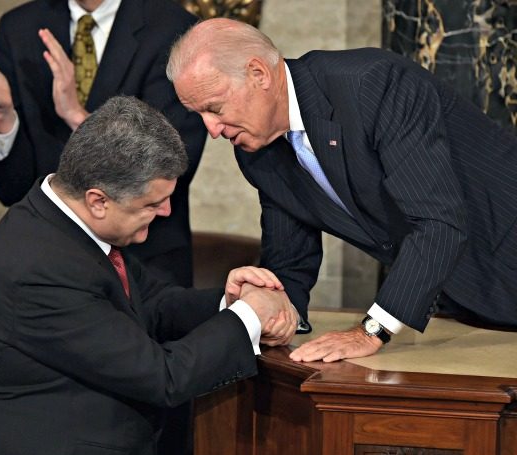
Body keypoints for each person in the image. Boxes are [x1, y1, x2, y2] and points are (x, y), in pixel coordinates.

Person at [0, 96, 298, 455]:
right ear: (99, 200)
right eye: (153, 203)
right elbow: (163, 377)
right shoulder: (40, 268)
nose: (165, 213)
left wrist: (229, 299)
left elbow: (154, 302)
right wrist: (248, 316)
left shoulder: (64, 223)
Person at [167, 18, 517, 363]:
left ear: (258, 74)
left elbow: (438, 222)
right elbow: (291, 258)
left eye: (214, 108)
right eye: (199, 115)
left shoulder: (373, 85)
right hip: (467, 306)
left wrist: (371, 331)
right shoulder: (256, 153)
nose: (211, 130)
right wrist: (275, 312)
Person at [0, 0, 207, 289]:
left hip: (144, 266)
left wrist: (76, 114)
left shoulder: (173, 26)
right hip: (48, 265)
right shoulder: (20, 27)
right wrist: (4, 111)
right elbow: (12, 189)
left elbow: (173, 165)